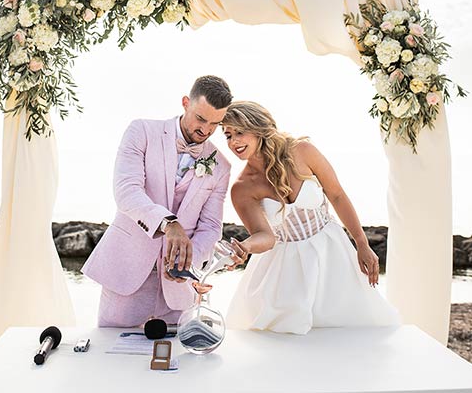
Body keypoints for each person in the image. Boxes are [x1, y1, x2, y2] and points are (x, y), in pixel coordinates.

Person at [222, 101, 400, 334]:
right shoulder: (242, 188)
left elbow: (336, 195)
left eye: (239, 132)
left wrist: (362, 243)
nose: (233, 141)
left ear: (257, 128)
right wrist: (245, 247)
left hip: (331, 252)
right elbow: (264, 236)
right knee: (286, 340)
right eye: (227, 135)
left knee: (348, 332)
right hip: (283, 268)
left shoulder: (303, 151)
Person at [82, 75, 232, 327]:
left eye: (215, 124)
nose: (205, 130)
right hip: (127, 275)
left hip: (179, 289)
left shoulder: (221, 166)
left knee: (178, 359)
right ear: (186, 103)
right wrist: (169, 224)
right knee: (111, 357)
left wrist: (187, 262)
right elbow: (127, 191)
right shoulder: (141, 131)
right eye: (201, 119)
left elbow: (211, 227)